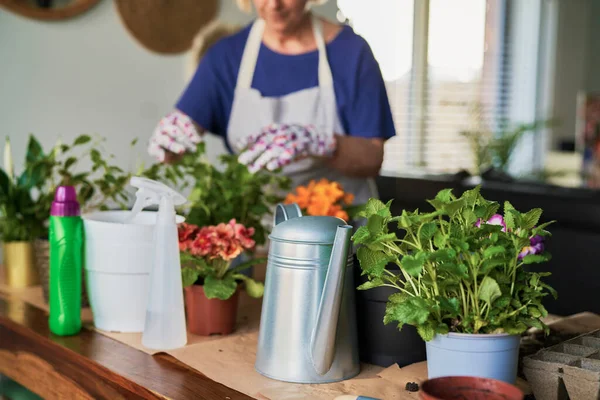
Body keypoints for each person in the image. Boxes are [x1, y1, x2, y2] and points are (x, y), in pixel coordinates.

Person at [148, 0, 396, 205]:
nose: (274, 5)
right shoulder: (226, 56)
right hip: (257, 225)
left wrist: (321, 143)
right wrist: (171, 141)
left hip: (337, 223)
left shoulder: (351, 53)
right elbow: (176, 148)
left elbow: (372, 159)